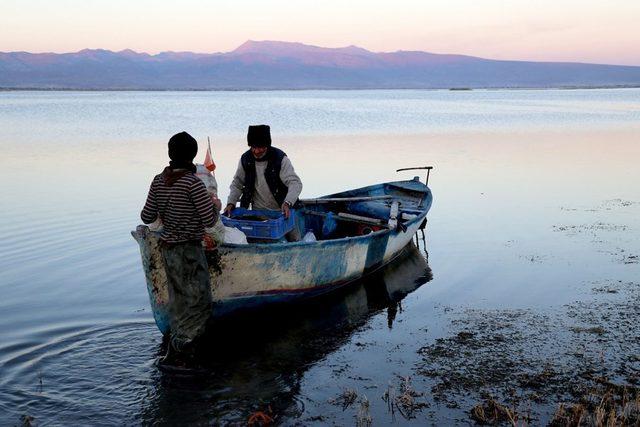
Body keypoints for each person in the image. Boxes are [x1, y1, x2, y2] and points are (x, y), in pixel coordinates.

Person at [140, 131, 220, 362]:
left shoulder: (158, 180)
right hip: (190, 251)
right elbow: (210, 221)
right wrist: (215, 204)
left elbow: (146, 216)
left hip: (168, 251)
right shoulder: (193, 183)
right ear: (192, 155)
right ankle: (186, 351)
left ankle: (175, 345)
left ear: (170, 154)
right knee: (198, 302)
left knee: (177, 300)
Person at [224, 125, 302, 223]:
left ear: (267, 146)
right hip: (258, 212)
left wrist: (288, 202)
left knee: (294, 237)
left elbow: (295, 183)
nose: (256, 151)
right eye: (253, 147)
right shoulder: (246, 159)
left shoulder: (280, 159)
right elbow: (237, 183)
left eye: (260, 147)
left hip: (283, 211)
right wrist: (231, 203)